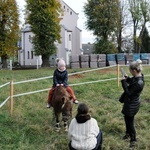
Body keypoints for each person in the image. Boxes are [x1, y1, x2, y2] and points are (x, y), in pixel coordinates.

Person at [119, 59, 145, 148]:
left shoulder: (139, 83)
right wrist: (128, 79)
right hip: (130, 103)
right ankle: (128, 134)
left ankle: (133, 140)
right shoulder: (137, 77)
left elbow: (129, 94)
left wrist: (123, 82)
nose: (130, 72)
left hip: (132, 105)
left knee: (130, 122)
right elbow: (132, 82)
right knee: (127, 120)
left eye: (130, 71)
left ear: (134, 71)